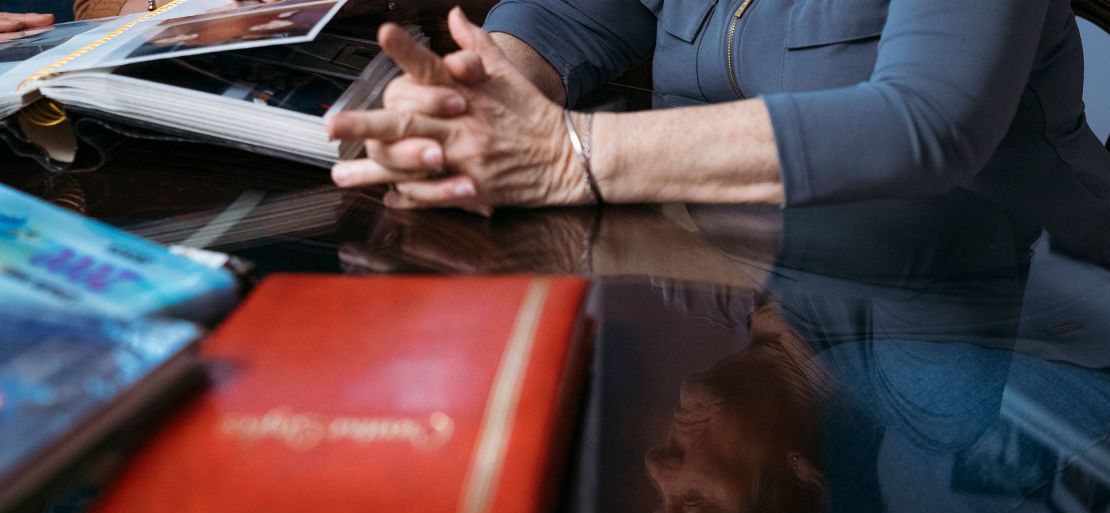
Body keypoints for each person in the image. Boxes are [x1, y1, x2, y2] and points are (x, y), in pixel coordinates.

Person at [326, 2, 1110, 260]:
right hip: (764, 277)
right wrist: (481, 95)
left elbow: (925, 124)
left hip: (1017, 303)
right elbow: (572, 11)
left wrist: (566, 155)